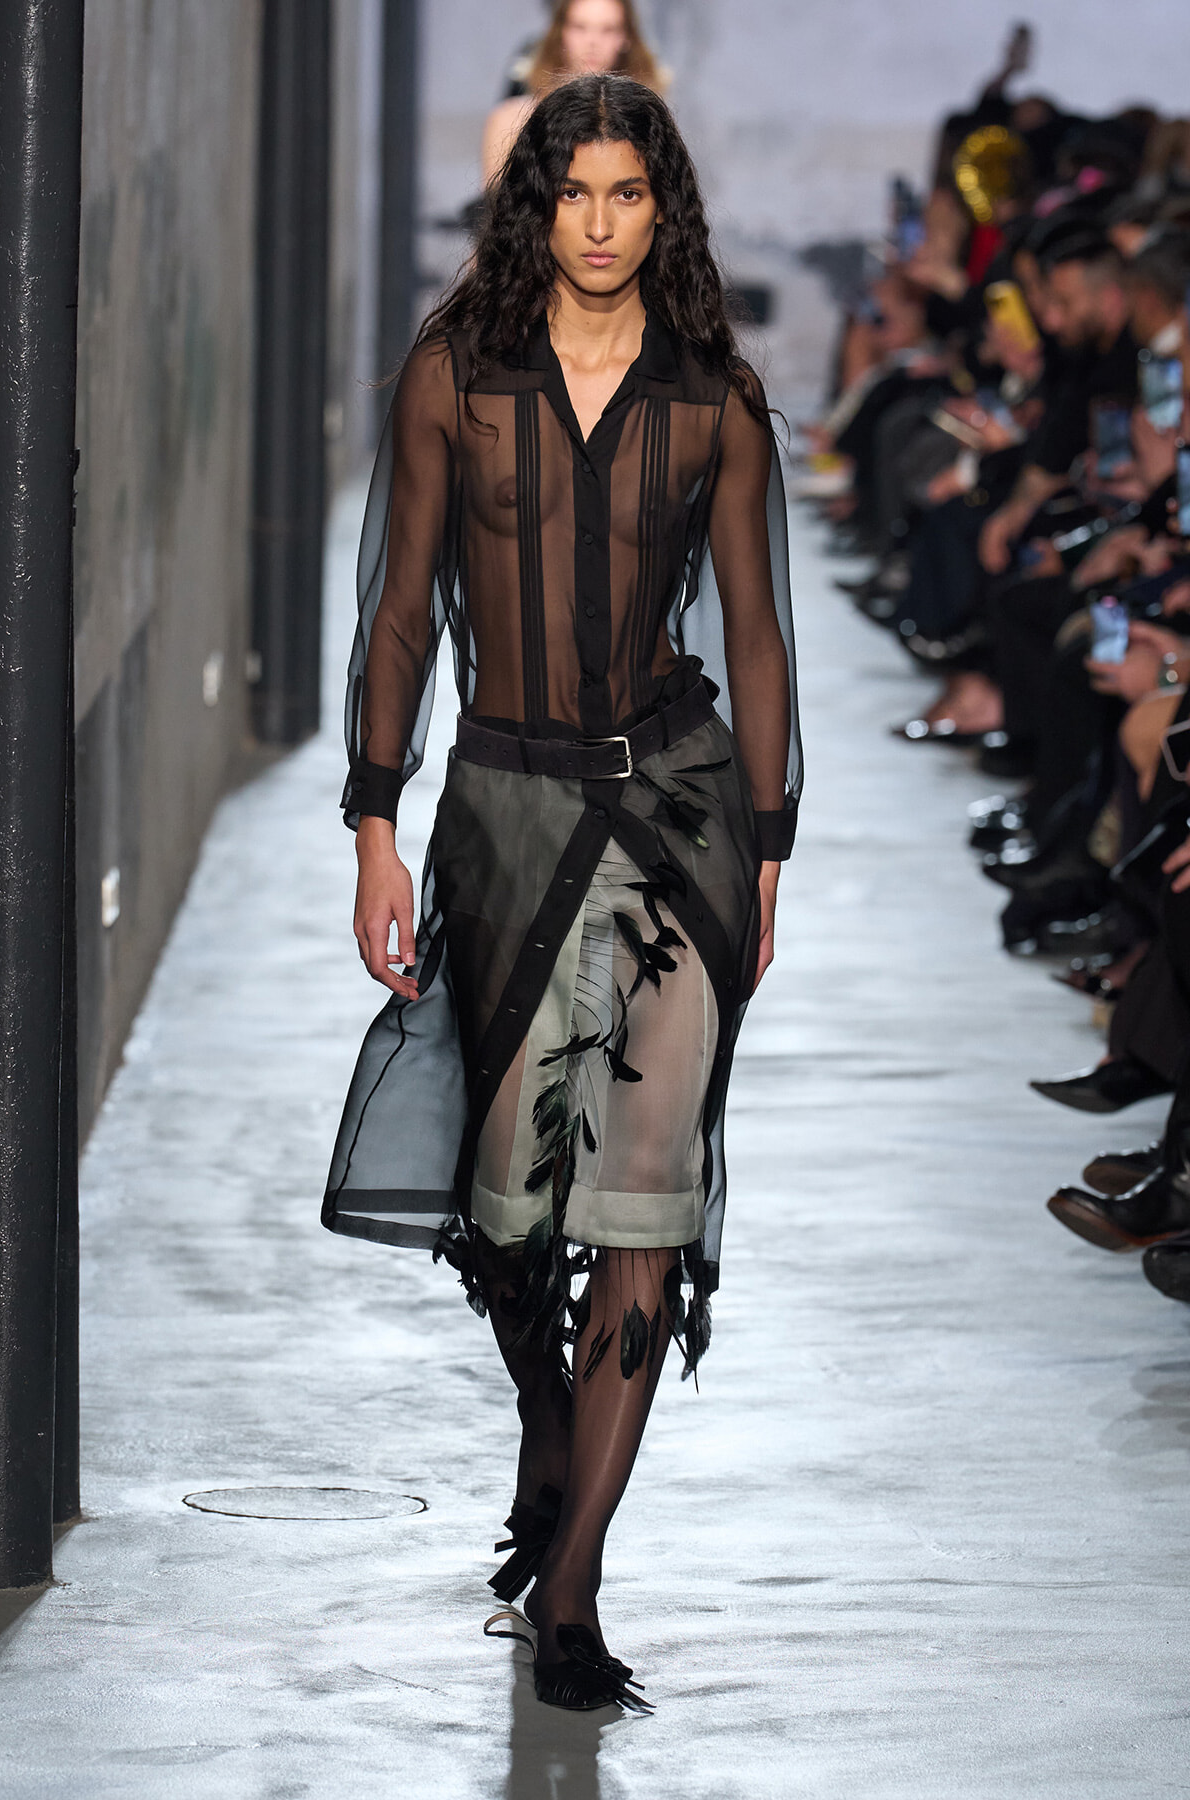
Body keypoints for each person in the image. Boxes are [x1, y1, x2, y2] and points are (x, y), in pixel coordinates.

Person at [323, 74, 801, 1713]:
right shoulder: (455, 381)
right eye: (576, 193)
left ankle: (577, 1595)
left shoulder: (715, 401)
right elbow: (401, 611)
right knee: (513, 1218)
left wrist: (774, 835)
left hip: (675, 813)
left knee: (643, 1202)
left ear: (662, 210)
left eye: (631, 194)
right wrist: (373, 823)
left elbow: (756, 630)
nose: (603, 221)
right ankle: (547, 1428)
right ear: (539, 207)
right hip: (504, 814)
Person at [481, 0, 665, 187]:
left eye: (608, 29)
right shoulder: (512, 120)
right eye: (579, 27)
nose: (592, 41)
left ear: (626, 37)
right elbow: (499, 207)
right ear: (560, 32)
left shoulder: (649, 123)